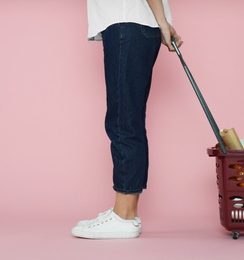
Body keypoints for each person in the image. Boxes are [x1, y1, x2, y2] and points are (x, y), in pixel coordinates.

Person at [71, 0, 182, 239]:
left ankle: (123, 217)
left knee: (123, 120)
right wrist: (162, 21)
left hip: (127, 25)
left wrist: (163, 22)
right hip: (133, 25)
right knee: (128, 118)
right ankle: (126, 213)